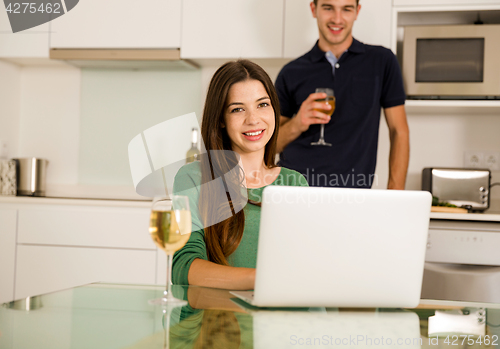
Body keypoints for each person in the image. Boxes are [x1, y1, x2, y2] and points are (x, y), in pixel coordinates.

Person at [172, 60, 308, 290]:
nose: (253, 119)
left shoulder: (294, 182)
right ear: (221, 120)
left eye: (262, 104)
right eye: (237, 109)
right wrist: (259, 280)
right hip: (217, 320)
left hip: (279, 317)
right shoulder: (194, 176)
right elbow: (184, 266)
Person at [275, 0, 409, 189]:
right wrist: (298, 123)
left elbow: (399, 132)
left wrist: (395, 197)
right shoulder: (290, 72)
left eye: (346, 9)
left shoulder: (382, 61)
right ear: (314, 10)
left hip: (352, 194)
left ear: (357, 12)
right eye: (328, 8)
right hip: (293, 191)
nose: (337, 19)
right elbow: (271, 146)